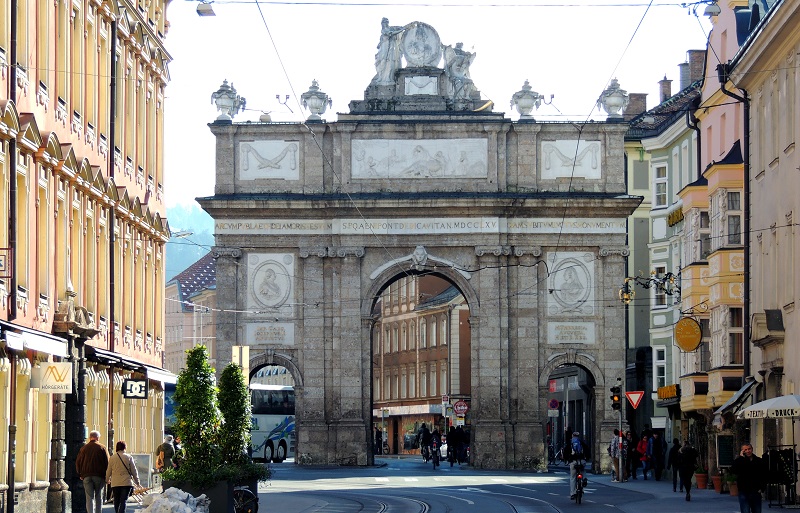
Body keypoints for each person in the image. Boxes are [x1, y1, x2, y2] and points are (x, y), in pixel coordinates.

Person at [75, 430, 110, 513]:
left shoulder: (83, 448)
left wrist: (80, 473)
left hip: (86, 476)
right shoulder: (102, 447)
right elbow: (108, 462)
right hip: (99, 476)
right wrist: (108, 476)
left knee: (89, 497)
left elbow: (78, 462)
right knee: (98, 496)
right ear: (97, 438)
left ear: (90, 437)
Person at [731, 442, 767, 513]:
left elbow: (764, 474)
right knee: (745, 511)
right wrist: (741, 458)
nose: (748, 451)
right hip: (743, 491)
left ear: (752, 449)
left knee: (757, 511)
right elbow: (734, 470)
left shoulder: (759, 461)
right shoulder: (739, 461)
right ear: (742, 451)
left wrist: (762, 488)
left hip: (756, 491)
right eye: (745, 450)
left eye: (749, 449)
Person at [106, 440, 141, 513]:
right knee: (123, 500)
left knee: (116, 500)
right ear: (125, 447)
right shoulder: (129, 457)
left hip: (115, 483)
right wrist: (137, 482)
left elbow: (108, 470)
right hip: (126, 482)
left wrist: (107, 479)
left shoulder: (112, 458)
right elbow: (134, 470)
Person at [372, 18, 404, 86]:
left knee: (389, 62)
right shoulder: (384, 30)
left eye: (386, 22)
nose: (385, 24)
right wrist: (401, 30)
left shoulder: (388, 29)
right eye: (384, 23)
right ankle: (382, 77)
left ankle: (387, 78)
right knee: (382, 61)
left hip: (389, 48)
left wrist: (401, 27)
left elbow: (394, 28)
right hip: (384, 48)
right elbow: (391, 33)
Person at [567, 431, 589, 500]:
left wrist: (567, 459)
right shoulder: (582, 442)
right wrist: (587, 459)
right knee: (583, 469)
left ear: (572, 436)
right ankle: (584, 478)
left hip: (573, 462)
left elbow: (565, 452)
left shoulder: (570, 443)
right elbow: (587, 450)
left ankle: (573, 493)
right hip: (581, 461)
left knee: (573, 477)